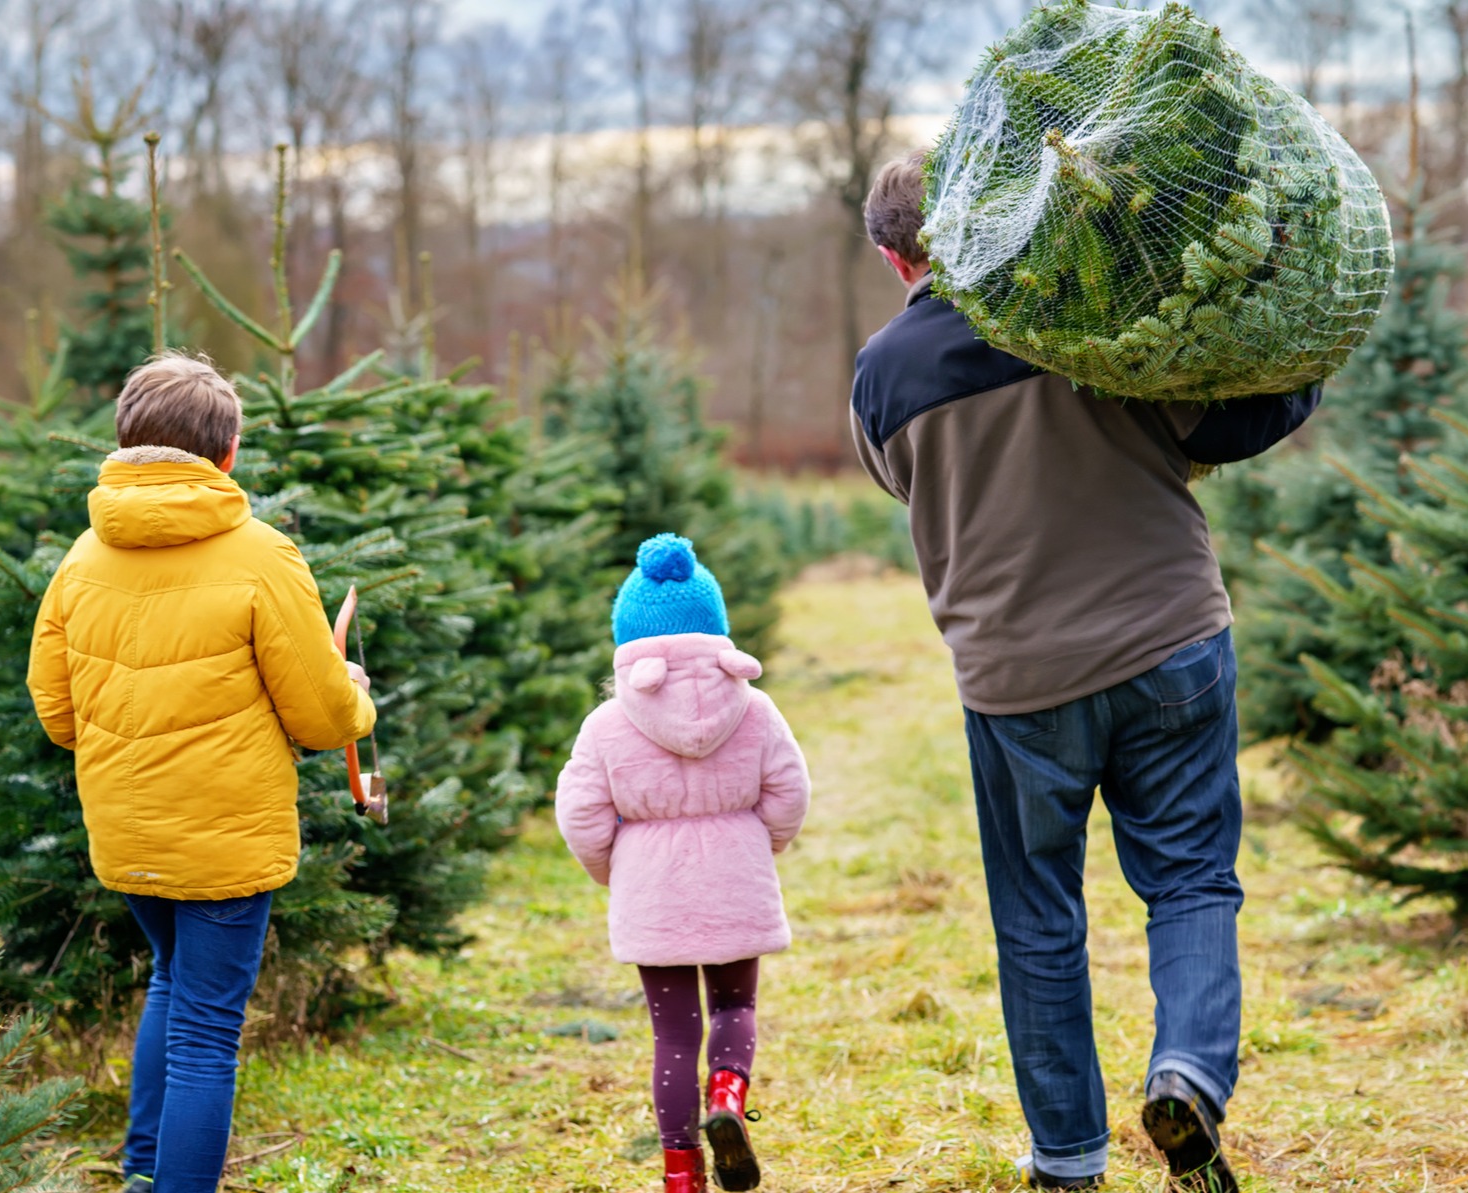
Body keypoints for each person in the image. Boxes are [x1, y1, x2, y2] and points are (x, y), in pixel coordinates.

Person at [848, 153, 1323, 1193]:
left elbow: (901, 483)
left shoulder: (881, 375)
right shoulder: (1075, 317)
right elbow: (1228, 425)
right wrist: (1303, 357)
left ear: (895, 258)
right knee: (1191, 876)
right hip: (1170, 644)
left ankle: (1067, 1158)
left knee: (1037, 918)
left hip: (1018, 684)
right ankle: (1188, 1076)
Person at [27, 351, 376, 1193]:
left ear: (127, 442)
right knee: (207, 1032)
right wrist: (356, 699)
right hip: (224, 837)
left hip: (126, 829)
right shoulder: (262, 554)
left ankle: (145, 1171)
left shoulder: (81, 557)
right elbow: (323, 717)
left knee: (173, 984)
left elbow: (56, 711)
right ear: (225, 454)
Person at [554, 533, 812, 1193]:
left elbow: (579, 814)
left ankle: (680, 1175)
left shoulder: (607, 724)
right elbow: (789, 790)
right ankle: (725, 1097)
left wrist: (616, 869)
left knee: (673, 1035)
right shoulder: (755, 709)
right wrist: (765, 844)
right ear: (718, 630)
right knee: (734, 1005)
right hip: (736, 877)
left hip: (651, 888)